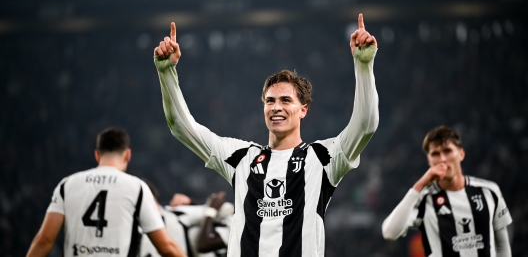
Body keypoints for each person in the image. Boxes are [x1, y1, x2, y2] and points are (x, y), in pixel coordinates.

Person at [152, 13, 379, 257]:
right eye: (269, 101)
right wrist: (167, 73)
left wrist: (364, 66)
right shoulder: (241, 157)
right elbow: (182, 127)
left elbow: (365, 125)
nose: (276, 107)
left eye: (285, 100)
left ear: (303, 109)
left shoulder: (323, 157)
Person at [26, 127, 186, 257]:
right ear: (128, 154)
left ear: (97, 155)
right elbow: (166, 247)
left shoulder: (67, 184)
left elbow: (44, 240)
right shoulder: (137, 187)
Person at [382, 126, 512, 257]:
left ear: (461, 154)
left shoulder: (489, 191)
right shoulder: (424, 199)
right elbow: (389, 233)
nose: (442, 159)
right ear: (429, 161)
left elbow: (502, 246)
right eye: (435, 154)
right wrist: (420, 184)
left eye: (447, 151)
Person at [140, 181, 232, 257]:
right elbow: (224, 208)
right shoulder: (172, 213)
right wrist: (192, 205)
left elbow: (204, 245)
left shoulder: (238, 227)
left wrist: (211, 210)